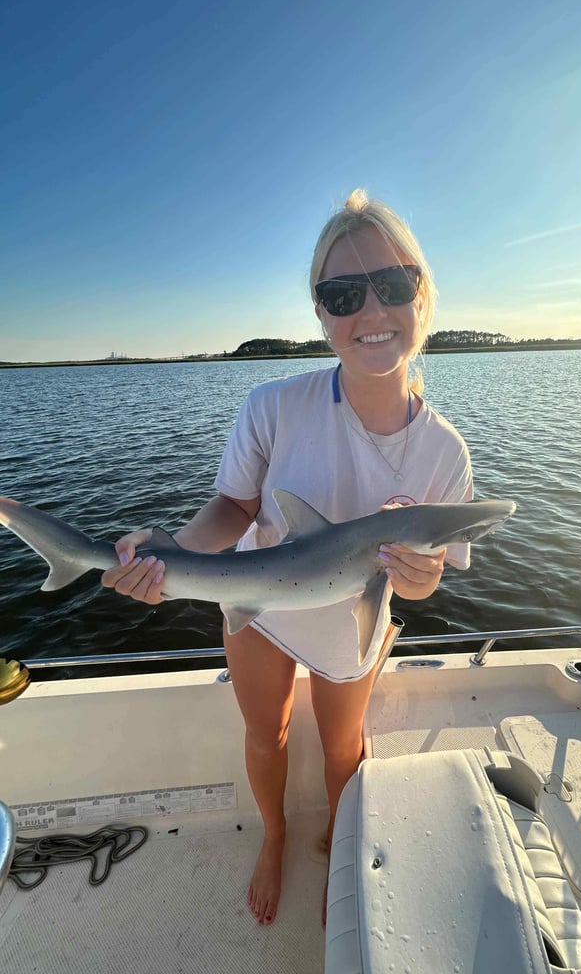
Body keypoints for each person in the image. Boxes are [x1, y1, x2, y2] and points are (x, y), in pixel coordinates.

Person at [101, 189, 473, 926]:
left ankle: (342, 841)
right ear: (321, 314)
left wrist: (423, 578)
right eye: (342, 294)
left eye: (392, 285)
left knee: (344, 754)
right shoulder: (271, 406)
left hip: (351, 626)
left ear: (421, 296)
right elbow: (237, 509)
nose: (370, 311)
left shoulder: (444, 453)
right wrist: (169, 558)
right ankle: (274, 835)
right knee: (264, 734)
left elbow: (424, 584)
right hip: (258, 605)